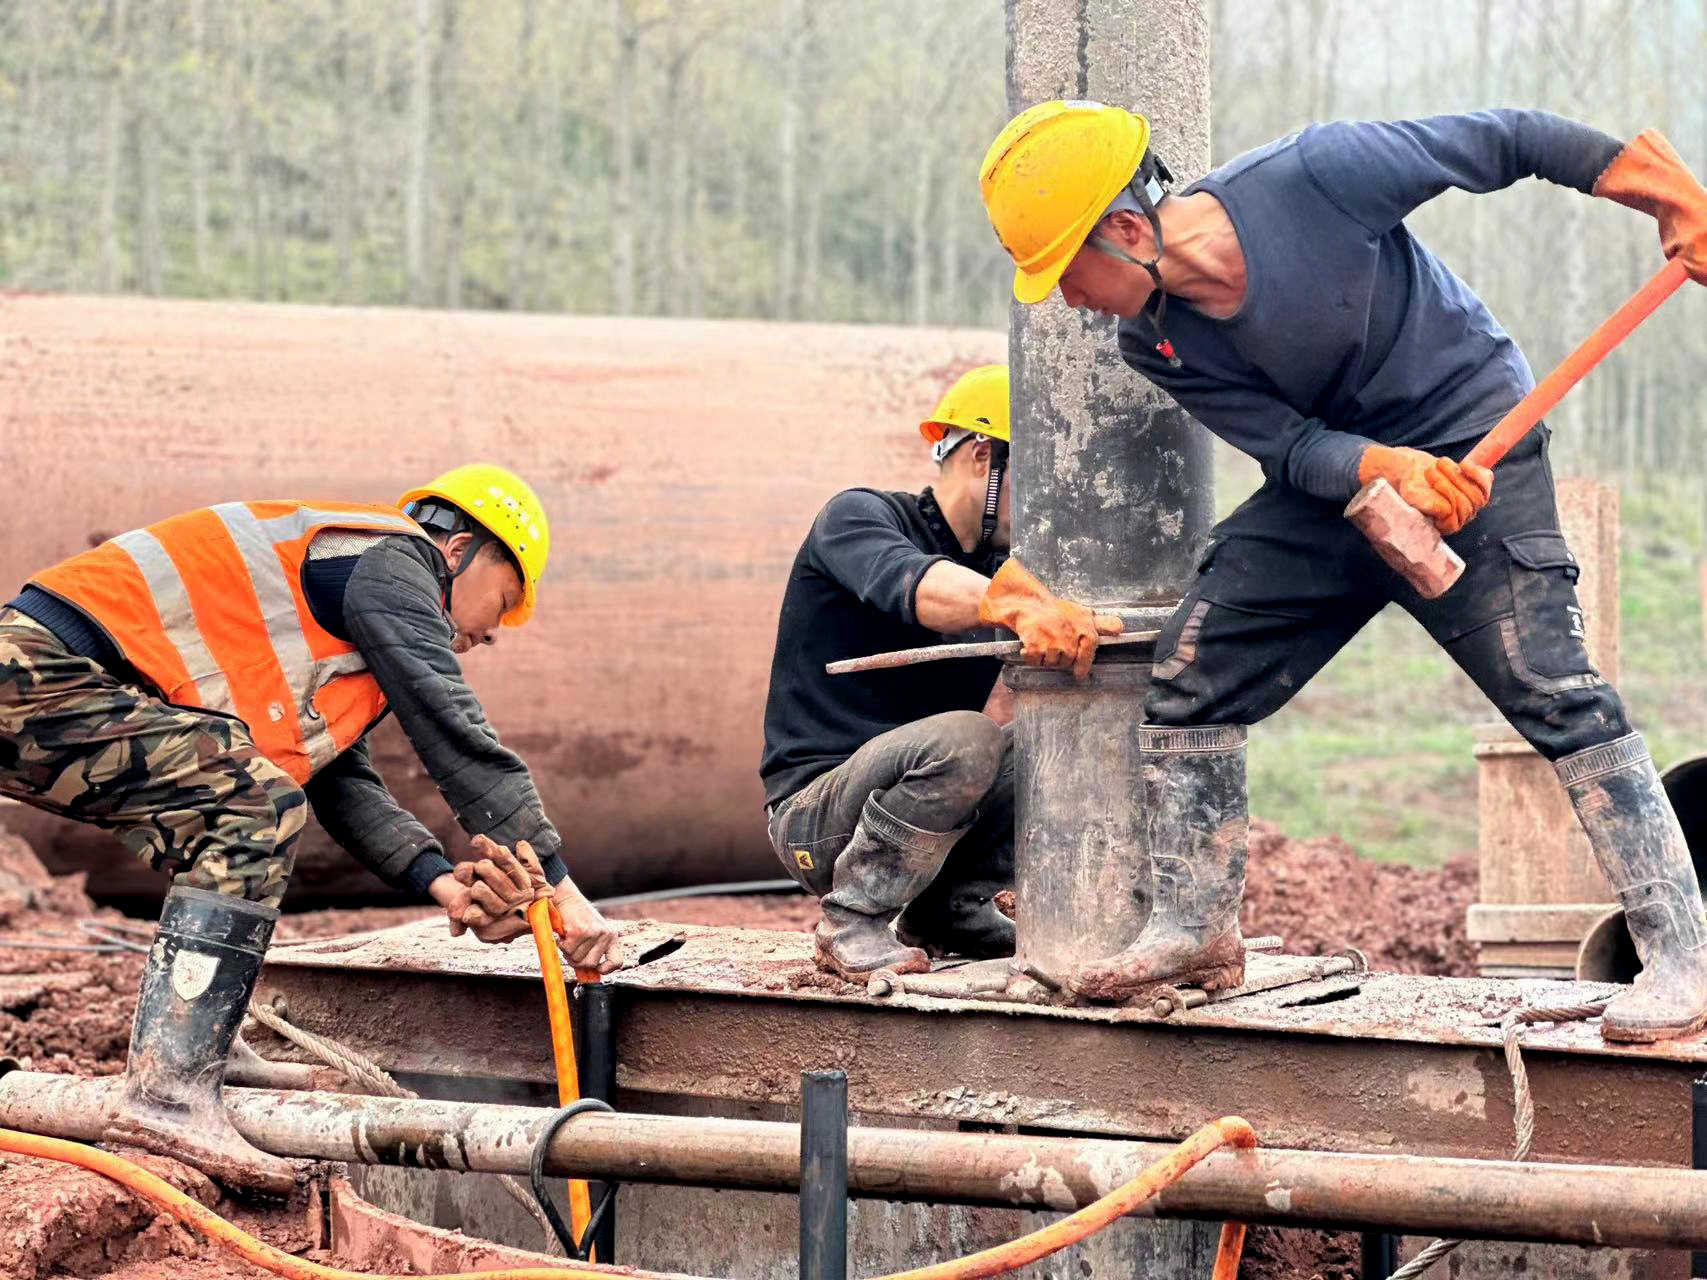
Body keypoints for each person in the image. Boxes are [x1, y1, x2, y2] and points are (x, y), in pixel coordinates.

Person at [979, 102, 1707, 1041]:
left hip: (1473, 442)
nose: (1067, 301)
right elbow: (1290, 447)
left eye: (1065, 272)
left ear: (1124, 229)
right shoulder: (1154, 340)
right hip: (1340, 482)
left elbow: (1511, 140)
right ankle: (1194, 932)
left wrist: (1669, 195)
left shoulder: (1315, 176)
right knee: (1194, 671)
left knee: (1552, 688)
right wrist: (1383, 468)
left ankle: (1682, 953)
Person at [0, 463, 617, 1189]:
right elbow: (454, 730)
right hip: (41, 670)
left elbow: (338, 781)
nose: (490, 633)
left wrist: (444, 886)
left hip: (57, 681)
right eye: (503, 600)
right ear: (458, 551)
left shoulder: (344, 615)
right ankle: (168, 1095)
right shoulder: (394, 560)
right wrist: (562, 888)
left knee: (254, 793)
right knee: (252, 806)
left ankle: (200, 1048)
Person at [759, 365, 1121, 979]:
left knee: (1056, 741)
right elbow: (917, 586)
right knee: (967, 739)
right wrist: (1016, 606)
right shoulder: (858, 518)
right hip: (816, 818)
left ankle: (949, 909)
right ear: (984, 457)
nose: (1048, 509)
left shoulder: (1002, 570)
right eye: (1039, 480)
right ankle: (852, 921)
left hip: (926, 810)